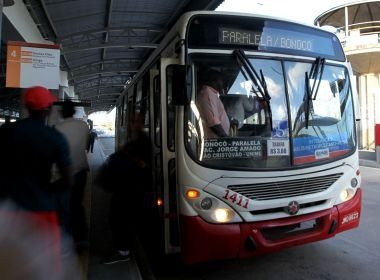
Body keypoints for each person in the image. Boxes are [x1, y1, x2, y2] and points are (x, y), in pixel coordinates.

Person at [0, 86, 73, 277]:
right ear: (47, 108)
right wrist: (49, 189)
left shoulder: (6, 131)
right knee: (45, 268)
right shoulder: (55, 138)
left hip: (8, 209)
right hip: (42, 209)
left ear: (27, 107)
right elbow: (67, 179)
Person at [97, 112, 151, 265]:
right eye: (132, 121)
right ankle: (126, 247)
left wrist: (125, 153)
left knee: (117, 218)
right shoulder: (136, 138)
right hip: (130, 186)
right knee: (122, 218)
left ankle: (123, 251)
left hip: (132, 188)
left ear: (141, 122)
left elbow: (143, 165)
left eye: (136, 121)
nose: (133, 124)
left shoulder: (142, 140)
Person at [55, 100, 90, 252]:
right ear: (74, 112)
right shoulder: (84, 126)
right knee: (77, 205)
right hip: (81, 172)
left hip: (63, 174)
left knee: (64, 207)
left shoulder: (56, 128)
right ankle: (81, 240)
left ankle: (67, 241)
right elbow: (86, 146)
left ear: (62, 112)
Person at [196, 69, 230, 138]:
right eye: (221, 81)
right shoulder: (208, 93)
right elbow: (214, 123)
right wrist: (226, 139)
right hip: (214, 141)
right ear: (213, 81)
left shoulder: (212, 94)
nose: (222, 83)